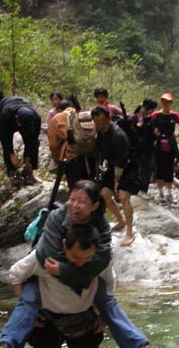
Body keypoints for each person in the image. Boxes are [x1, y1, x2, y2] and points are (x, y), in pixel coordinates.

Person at [0, 180, 167, 348]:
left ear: (94, 206)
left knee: (107, 301)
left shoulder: (100, 224)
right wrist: (79, 273)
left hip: (82, 273)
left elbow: (102, 259)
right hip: (48, 274)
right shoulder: (57, 217)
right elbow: (48, 254)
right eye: (72, 199)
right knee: (28, 303)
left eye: (82, 201)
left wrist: (66, 271)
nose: (75, 205)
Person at [9, 224, 109, 348]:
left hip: (83, 318)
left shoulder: (100, 262)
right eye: (75, 257)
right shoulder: (43, 257)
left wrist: (104, 317)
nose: (81, 264)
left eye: (87, 259)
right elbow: (15, 275)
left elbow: (110, 287)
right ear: (63, 245)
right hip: (46, 320)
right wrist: (29, 313)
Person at [92, 105, 139, 247]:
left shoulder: (118, 136)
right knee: (104, 195)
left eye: (101, 121)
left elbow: (122, 161)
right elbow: (100, 154)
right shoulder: (101, 132)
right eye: (96, 122)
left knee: (123, 196)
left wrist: (117, 182)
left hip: (129, 166)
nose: (98, 125)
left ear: (109, 118)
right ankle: (120, 220)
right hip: (113, 165)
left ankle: (129, 232)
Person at [0, 89, 42, 185]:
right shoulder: (4, 117)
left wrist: (28, 161)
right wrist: (12, 155)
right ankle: (13, 174)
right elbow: (5, 141)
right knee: (7, 148)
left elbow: (34, 141)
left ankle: (29, 173)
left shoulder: (35, 118)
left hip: (22, 107)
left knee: (32, 143)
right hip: (7, 115)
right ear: (17, 120)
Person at [48, 97, 97, 188]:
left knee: (76, 188)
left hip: (72, 158)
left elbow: (53, 145)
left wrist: (57, 161)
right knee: (92, 188)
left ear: (60, 109)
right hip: (91, 156)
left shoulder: (56, 119)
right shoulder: (83, 116)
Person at [151, 93, 179, 205]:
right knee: (159, 170)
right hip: (158, 146)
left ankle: (169, 194)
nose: (165, 103)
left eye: (167, 101)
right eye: (163, 101)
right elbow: (150, 125)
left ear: (171, 102)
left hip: (170, 145)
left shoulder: (174, 115)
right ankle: (161, 194)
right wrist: (154, 133)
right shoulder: (156, 115)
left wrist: (177, 135)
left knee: (169, 170)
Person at [133, 99, 158, 199]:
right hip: (136, 148)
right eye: (151, 109)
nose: (151, 111)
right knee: (136, 169)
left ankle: (143, 190)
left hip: (148, 149)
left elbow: (155, 134)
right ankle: (135, 189)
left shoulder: (151, 120)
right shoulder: (136, 117)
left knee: (146, 170)